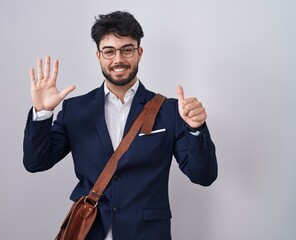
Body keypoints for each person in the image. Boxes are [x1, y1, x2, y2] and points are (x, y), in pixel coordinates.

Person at [23, 11, 217, 240]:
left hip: (147, 234)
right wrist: (43, 113)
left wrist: (196, 129)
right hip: (90, 232)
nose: (118, 59)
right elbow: (36, 162)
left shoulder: (170, 111)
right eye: (109, 51)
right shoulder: (75, 110)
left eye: (127, 49)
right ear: (98, 55)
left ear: (139, 52)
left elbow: (203, 176)